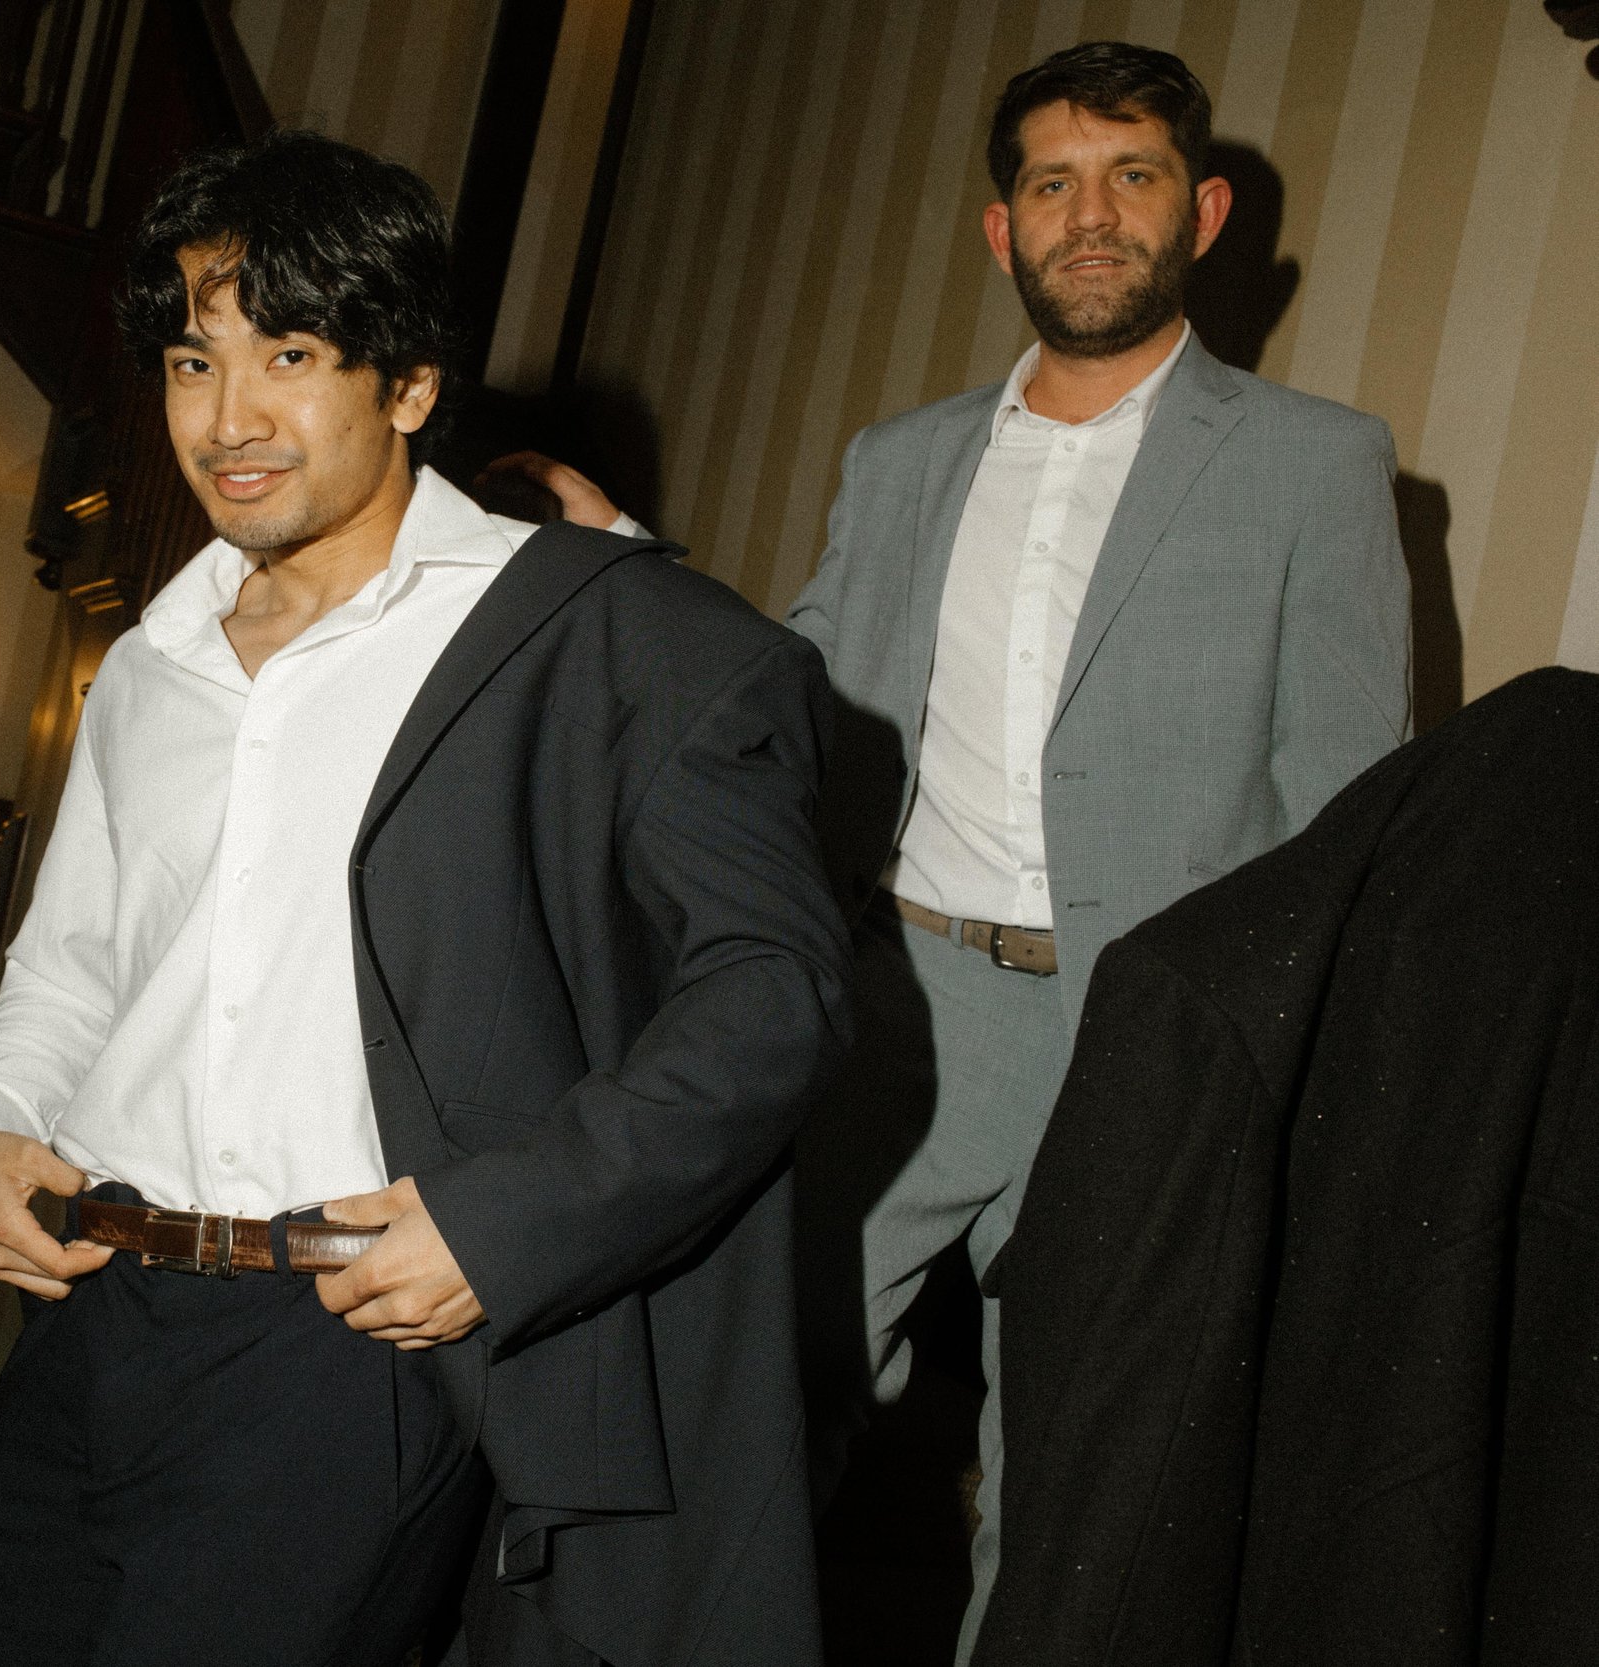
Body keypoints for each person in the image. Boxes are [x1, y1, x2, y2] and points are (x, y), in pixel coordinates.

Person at [0, 130, 851, 1667]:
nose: (232, 417)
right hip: (97, 1308)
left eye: (292, 353)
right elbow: (71, 960)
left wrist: (505, 1223)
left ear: (408, 384)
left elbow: (772, 994)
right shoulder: (152, 660)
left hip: (340, 1338)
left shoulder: (587, 634)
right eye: (194, 361)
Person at [502, 40, 1410, 1660]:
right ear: (1002, 229)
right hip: (906, 1001)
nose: (1091, 215)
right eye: (1053, 181)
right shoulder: (901, 458)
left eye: (1131, 177)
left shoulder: (1318, 464)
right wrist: (629, 567)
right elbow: (804, 689)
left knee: (1070, 1472)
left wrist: (1261, 1063)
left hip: (1149, 1031)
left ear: (1199, 212)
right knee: (758, 1399)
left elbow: (1348, 798)